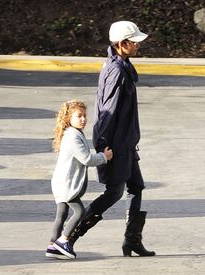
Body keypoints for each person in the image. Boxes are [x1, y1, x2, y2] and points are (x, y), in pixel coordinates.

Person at [70, 21, 156, 257]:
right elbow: (107, 112)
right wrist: (104, 148)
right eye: (135, 42)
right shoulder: (116, 71)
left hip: (127, 143)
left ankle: (132, 241)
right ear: (122, 44)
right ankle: (68, 237)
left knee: (136, 187)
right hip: (116, 144)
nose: (138, 45)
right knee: (114, 193)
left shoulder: (123, 65)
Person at [45, 100, 113, 259]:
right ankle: (63, 241)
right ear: (68, 118)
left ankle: (52, 246)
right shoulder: (73, 137)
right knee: (80, 211)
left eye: (84, 116)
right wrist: (105, 156)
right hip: (67, 184)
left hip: (61, 182)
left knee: (61, 214)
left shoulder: (72, 133)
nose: (83, 119)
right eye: (78, 116)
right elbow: (87, 159)